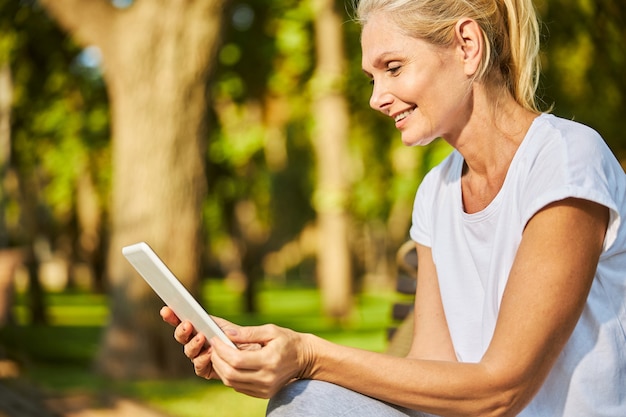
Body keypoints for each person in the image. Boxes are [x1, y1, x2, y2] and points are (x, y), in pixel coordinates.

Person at [160, 0, 626, 415]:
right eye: (371, 77)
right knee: (304, 401)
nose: (376, 97)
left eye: (394, 67)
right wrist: (264, 357)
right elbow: (432, 372)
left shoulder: (566, 160)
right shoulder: (435, 192)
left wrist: (310, 355)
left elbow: (501, 391)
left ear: (467, 46)